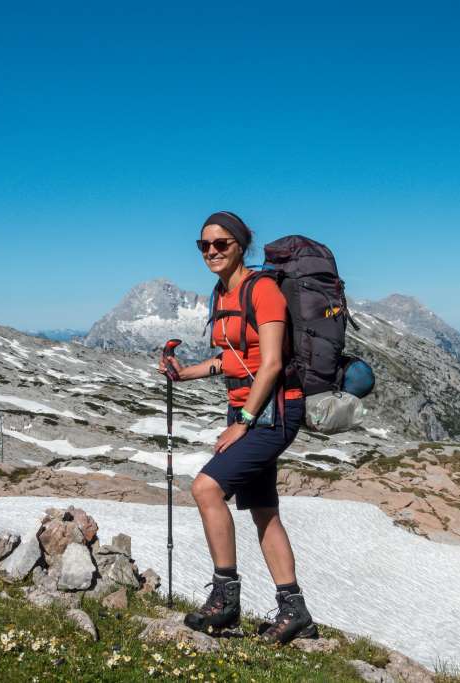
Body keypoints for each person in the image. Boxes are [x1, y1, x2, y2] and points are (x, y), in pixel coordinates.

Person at [157, 211, 316, 644]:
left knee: (206, 488)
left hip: (274, 411)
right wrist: (184, 372)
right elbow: (233, 359)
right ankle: (295, 611)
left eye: (221, 244)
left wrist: (244, 423)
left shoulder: (261, 290)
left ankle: (226, 602)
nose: (211, 252)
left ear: (240, 246)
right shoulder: (220, 294)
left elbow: (271, 363)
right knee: (263, 511)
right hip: (246, 410)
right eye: (203, 245)